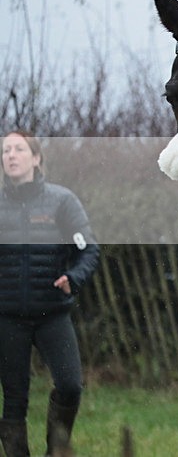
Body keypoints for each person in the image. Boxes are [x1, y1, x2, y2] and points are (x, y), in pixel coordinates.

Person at [0, 131, 100, 457]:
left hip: (52, 314)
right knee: (14, 399)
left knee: (70, 386)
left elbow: (89, 250)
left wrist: (74, 277)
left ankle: (55, 451)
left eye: (18, 149)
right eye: (5, 150)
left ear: (36, 158)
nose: (10, 155)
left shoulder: (61, 201)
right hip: (7, 317)